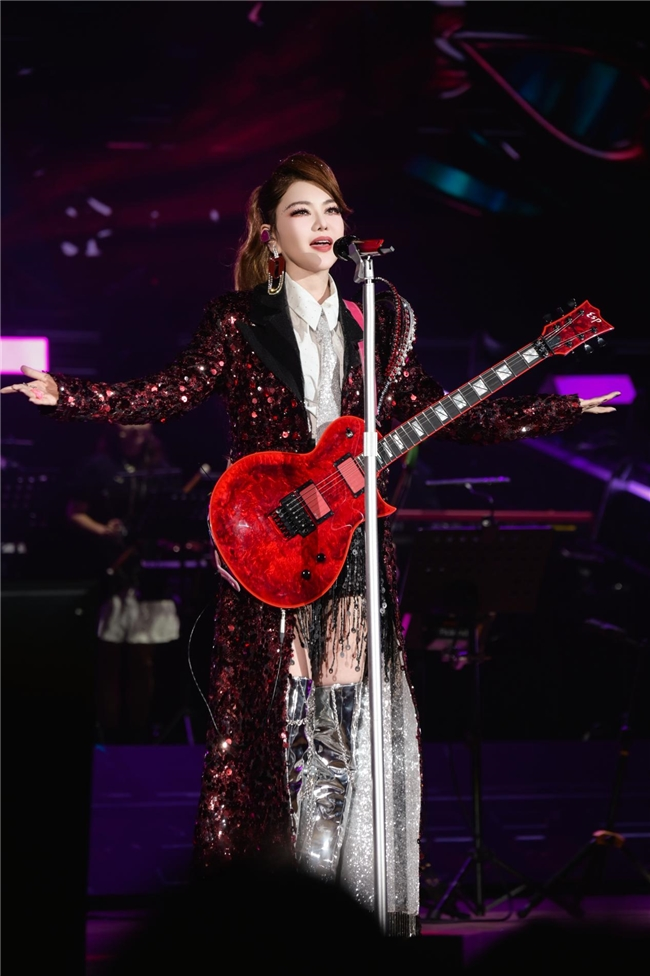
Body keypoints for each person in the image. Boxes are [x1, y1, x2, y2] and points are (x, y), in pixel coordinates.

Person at [2, 151, 619, 935]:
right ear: (270, 233)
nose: (323, 224)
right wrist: (68, 395)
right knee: (276, 733)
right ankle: (267, 910)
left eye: (331, 209)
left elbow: (447, 413)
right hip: (269, 539)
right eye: (302, 211)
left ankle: (332, 910)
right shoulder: (238, 319)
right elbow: (167, 392)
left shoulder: (379, 318)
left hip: (351, 550)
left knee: (341, 732)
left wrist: (557, 409)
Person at [65, 422, 182, 743]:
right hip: (111, 570)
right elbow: (75, 512)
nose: (134, 433)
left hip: (147, 572)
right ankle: (108, 730)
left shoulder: (159, 468)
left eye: (141, 427)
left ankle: (139, 731)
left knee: (143, 659)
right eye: (127, 427)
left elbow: (170, 516)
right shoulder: (98, 467)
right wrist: (104, 530)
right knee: (109, 656)